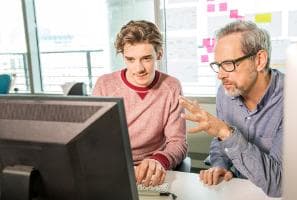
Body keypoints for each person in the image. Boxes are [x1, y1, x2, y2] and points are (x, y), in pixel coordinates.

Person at [179, 20, 283, 197]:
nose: (220, 75)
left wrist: (226, 132)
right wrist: (220, 165)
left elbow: (277, 183)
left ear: (259, 60)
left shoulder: (295, 100)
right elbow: (220, 143)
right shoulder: (226, 92)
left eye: (228, 64)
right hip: (238, 189)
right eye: (218, 66)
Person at [93, 20, 187, 187]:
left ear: (159, 54)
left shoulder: (172, 86)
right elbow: (94, 139)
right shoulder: (105, 85)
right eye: (130, 59)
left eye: (146, 58)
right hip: (113, 168)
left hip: (152, 170)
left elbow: (177, 142)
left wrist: (159, 161)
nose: (138, 69)